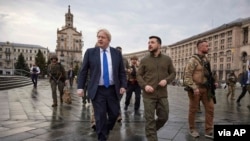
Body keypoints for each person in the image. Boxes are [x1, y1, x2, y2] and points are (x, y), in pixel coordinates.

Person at [77, 29, 127, 141]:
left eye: (102, 37)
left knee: (114, 114)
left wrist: (123, 85)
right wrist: (80, 87)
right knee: (100, 116)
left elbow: (121, 72)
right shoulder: (90, 52)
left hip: (113, 90)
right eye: (98, 37)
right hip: (97, 90)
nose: (100, 39)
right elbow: (83, 71)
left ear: (108, 40)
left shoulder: (116, 53)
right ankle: (102, 137)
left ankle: (105, 129)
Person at [137, 36, 176, 141]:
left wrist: (166, 80)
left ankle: (151, 131)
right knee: (149, 120)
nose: (149, 44)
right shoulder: (144, 60)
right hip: (148, 95)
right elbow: (138, 75)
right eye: (148, 42)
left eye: (152, 42)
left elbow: (173, 73)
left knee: (164, 117)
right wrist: (145, 85)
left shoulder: (167, 59)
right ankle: (151, 136)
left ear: (159, 45)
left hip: (162, 94)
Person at [183, 39, 218, 139]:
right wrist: (193, 87)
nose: (208, 47)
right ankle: (192, 129)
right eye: (206, 46)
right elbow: (187, 76)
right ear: (200, 47)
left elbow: (209, 74)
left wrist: (214, 81)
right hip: (196, 90)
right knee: (193, 110)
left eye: (208, 46)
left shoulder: (206, 60)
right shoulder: (193, 60)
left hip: (207, 89)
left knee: (210, 109)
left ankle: (209, 130)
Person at [115, 46, 130, 122]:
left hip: (122, 82)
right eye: (117, 51)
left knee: (118, 99)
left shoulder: (125, 60)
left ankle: (117, 114)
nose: (119, 53)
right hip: (114, 83)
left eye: (120, 51)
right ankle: (117, 115)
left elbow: (129, 69)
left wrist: (126, 70)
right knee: (116, 99)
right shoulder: (112, 58)